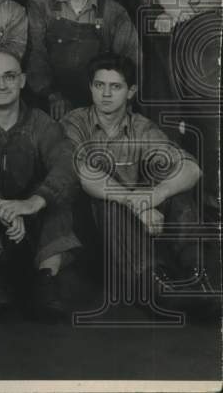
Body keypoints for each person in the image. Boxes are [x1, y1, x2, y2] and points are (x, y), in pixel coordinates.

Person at [62, 53, 215, 316]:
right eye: (99, 85)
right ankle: (154, 288)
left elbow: (192, 168)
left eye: (115, 87)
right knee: (108, 202)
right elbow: (84, 173)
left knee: (177, 195)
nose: (106, 94)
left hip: (136, 232)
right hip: (92, 232)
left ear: (131, 91)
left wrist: (157, 194)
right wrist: (138, 204)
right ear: (91, 87)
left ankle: (196, 277)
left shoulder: (141, 127)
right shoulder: (74, 122)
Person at [0, 52, 80, 321]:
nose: (1, 85)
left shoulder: (41, 122)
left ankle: (47, 280)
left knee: (59, 195)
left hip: (31, 227)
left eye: (9, 76)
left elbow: (66, 163)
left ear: (22, 80)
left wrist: (32, 203)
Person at [133, 0, 222, 217]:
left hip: (207, 42)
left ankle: (212, 207)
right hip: (160, 39)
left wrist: (184, 13)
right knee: (163, 118)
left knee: (207, 121)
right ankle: (174, 209)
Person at [27, 0, 138, 119]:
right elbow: (36, 55)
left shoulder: (115, 14)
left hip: (97, 109)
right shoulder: (41, 4)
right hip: (47, 105)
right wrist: (51, 95)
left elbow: (129, 66)